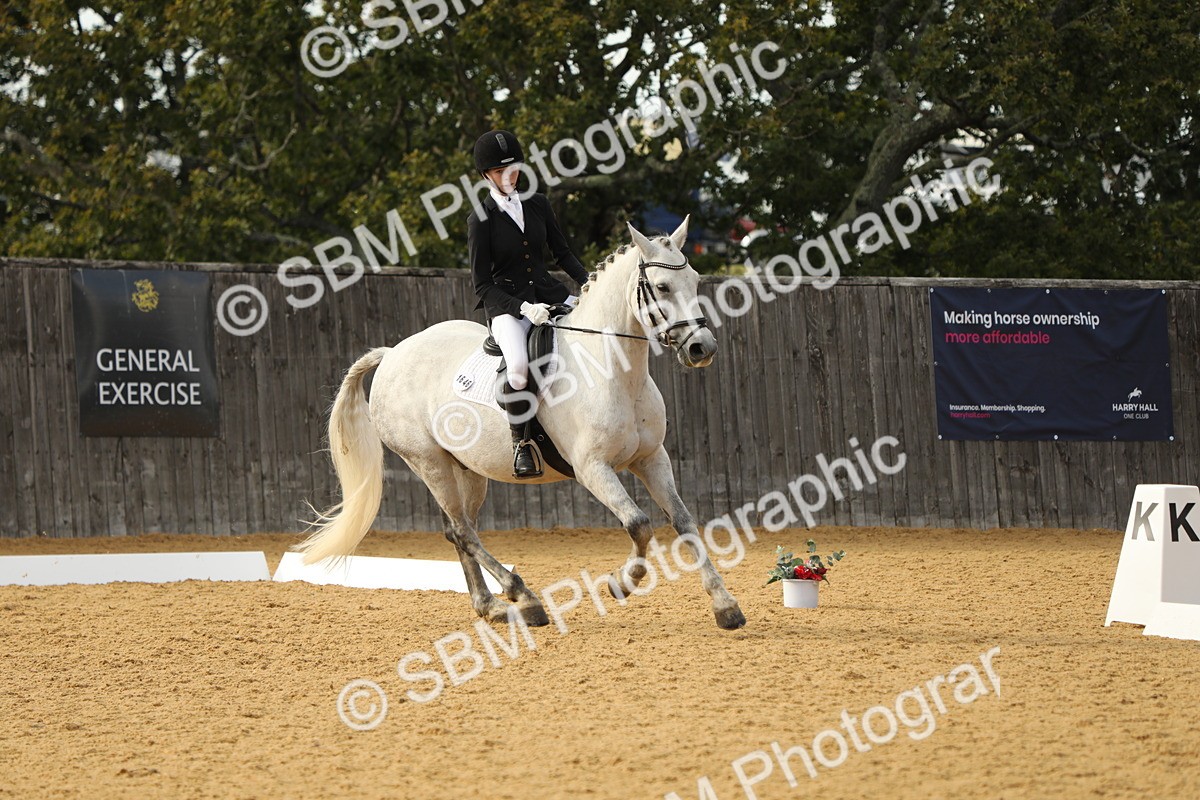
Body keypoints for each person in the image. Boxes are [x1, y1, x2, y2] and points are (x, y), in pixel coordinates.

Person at [468, 129, 590, 478]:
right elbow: (482, 285)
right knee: (520, 368)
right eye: (500, 171)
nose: (510, 176)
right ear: (486, 175)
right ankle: (521, 443)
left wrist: (589, 284)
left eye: (514, 168)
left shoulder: (538, 203)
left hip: (549, 294)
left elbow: (562, 253)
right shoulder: (480, 219)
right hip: (507, 307)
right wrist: (522, 308)